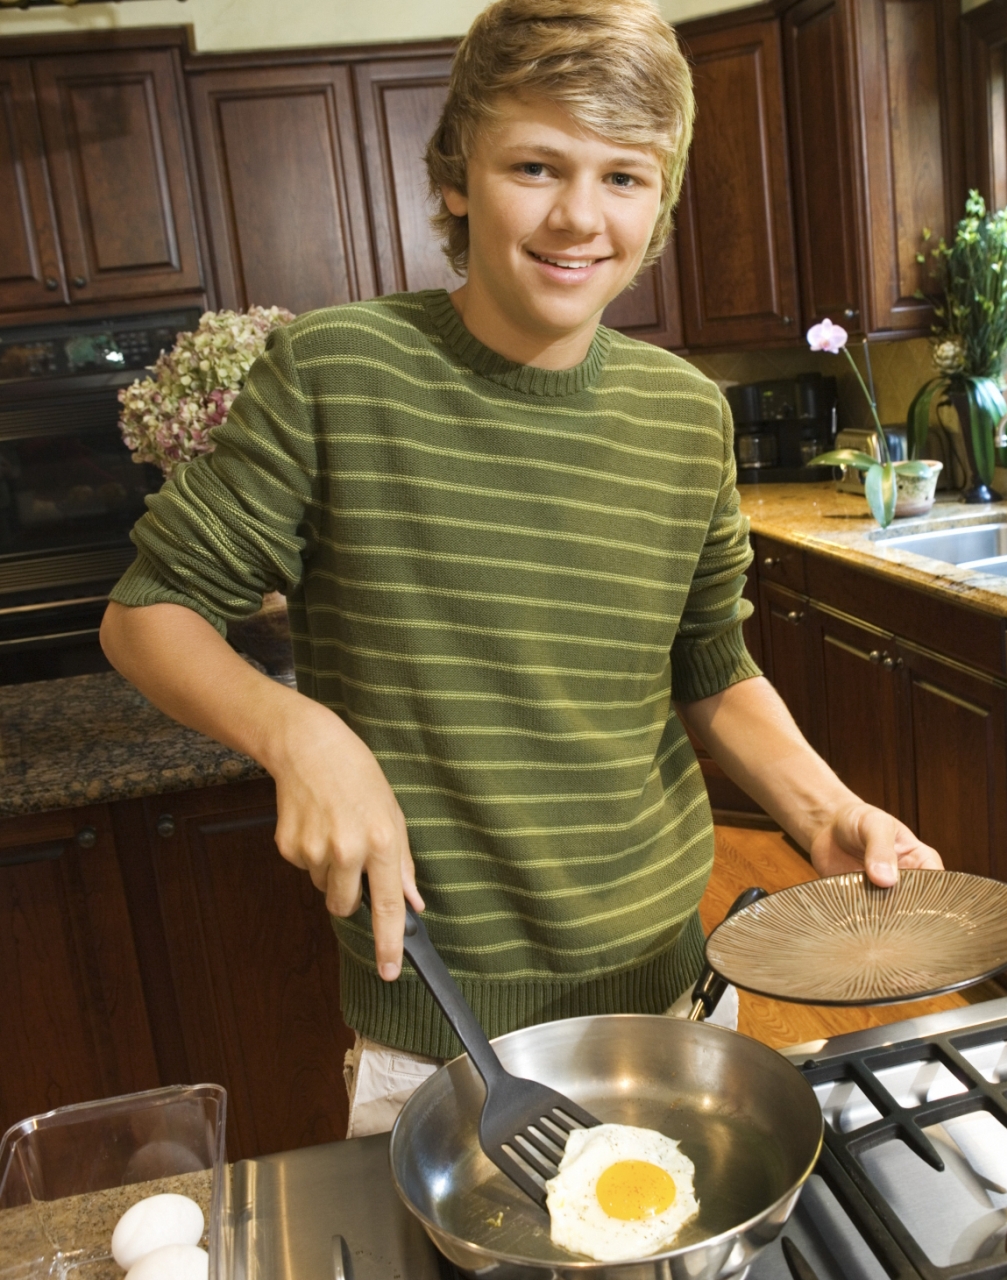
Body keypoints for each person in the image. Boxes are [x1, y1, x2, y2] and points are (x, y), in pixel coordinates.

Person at [100, 0, 942, 1138]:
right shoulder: (338, 371)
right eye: (536, 164)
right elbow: (147, 613)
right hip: (442, 1023)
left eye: (624, 178)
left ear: (660, 202)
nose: (579, 217)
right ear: (456, 176)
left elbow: (710, 662)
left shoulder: (687, 415)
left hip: (672, 983)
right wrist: (301, 730)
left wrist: (825, 809)